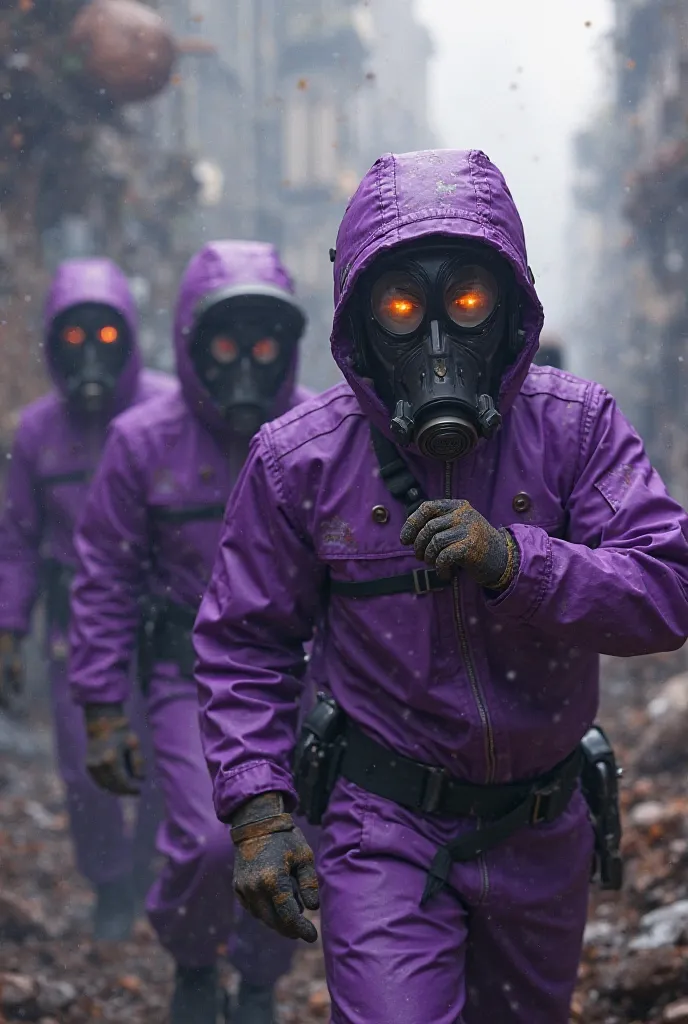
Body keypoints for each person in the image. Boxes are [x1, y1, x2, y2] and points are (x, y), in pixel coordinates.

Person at [193, 150, 688, 1024]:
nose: (434, 343)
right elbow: (245, 641)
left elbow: (666, 589)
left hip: (542, 822)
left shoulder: (577, 430)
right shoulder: (302, 459)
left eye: (464, 303)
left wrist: (517, 561)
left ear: (508, 310)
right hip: (384, 826)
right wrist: (258, 812)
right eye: (398, 308)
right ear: (359, 321)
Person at [69, 241, 312, 1024]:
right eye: (224, 344)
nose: (245, 367)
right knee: (210, 843)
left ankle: (260, 980)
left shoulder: (319, 434)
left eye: (265, 345)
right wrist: (103, 706)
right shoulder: (143, 443)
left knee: (287, 841)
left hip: (300, 675)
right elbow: (104, 573)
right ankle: (195, 960)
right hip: (188, 675)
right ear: (186, 341)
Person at [0, 257, 171, 940]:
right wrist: (8, 627)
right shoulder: (37, 433)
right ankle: (108, 884)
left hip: (159, 611)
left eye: (107, 337)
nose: (92, 354)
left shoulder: (166, 411)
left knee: (165, 749)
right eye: (74, 339)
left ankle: (148, 869)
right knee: (84, 758)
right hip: (75, 615)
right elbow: (16, 538)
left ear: (129, 339)